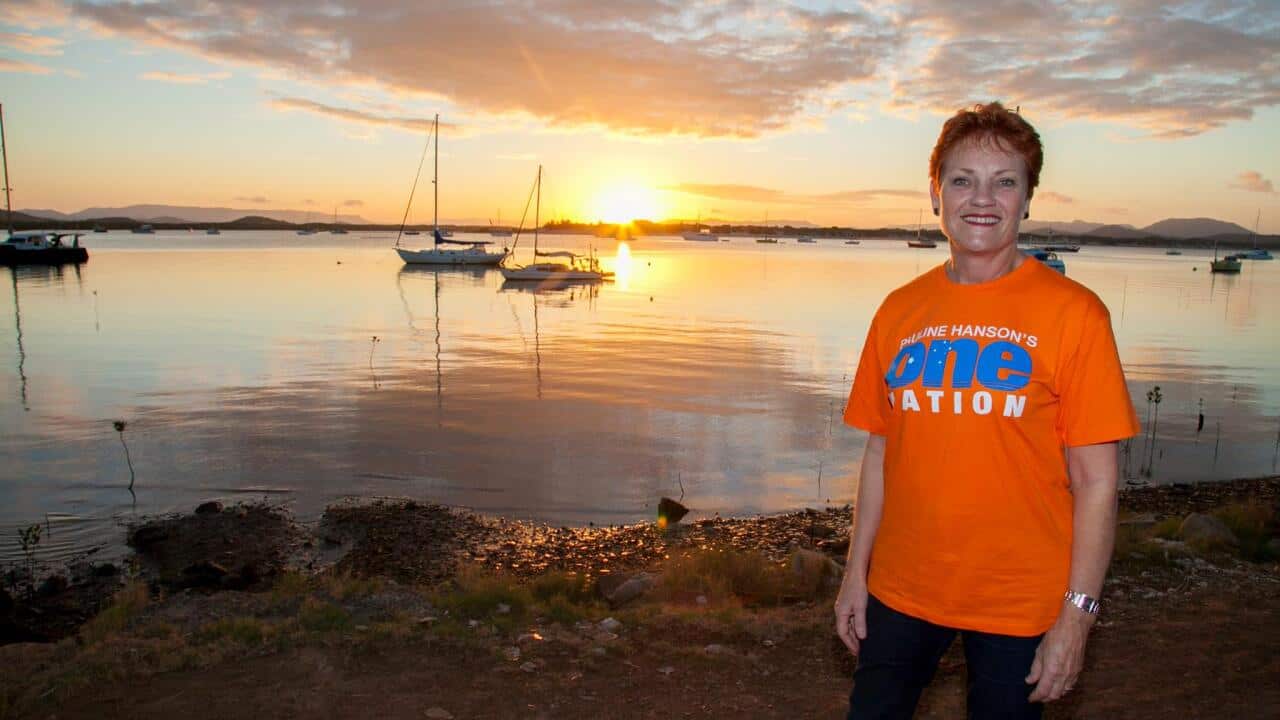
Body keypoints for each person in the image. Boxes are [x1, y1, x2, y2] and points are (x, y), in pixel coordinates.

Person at [834, 101, 1139, 719]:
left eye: (1005, 181)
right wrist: (853, 572)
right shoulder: (899, 310)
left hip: (1020, 601)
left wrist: (1077, 615)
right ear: (936, 194)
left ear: (1028, 198)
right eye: (963, 179)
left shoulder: (1076, 314)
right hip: (901, 590)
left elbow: (1097, 481)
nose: (983, 198)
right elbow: (880, 451)